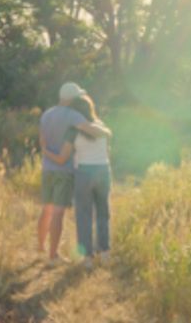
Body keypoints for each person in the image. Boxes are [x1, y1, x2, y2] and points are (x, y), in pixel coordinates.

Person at [37, 82, 111, 265]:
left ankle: (43, 247)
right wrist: (108, 131)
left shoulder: (48, 114)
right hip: (80, 169)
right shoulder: (78, 118)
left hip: (52, 169)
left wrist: (45, 151)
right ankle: (102, 252)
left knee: (51, 209)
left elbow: (46, 142)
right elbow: (99, 134)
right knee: (65, 213)